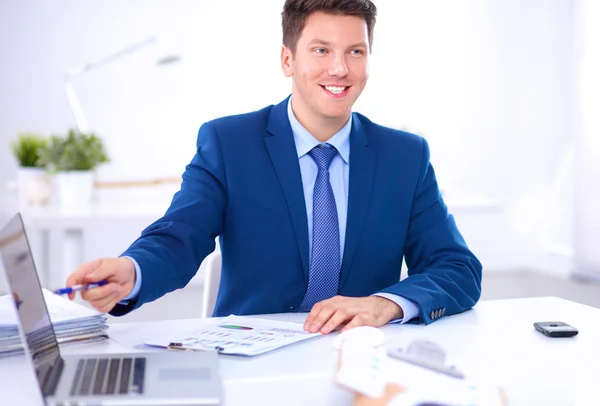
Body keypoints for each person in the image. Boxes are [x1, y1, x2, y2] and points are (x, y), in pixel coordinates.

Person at [66, 0, 482, 334]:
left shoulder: (405, 156)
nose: (339, 68)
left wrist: (384, 305)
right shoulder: (229, 143)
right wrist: (132, 271)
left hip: (361, 360)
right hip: (248, 354)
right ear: (287, 60)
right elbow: (180, 238)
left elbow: (457, 268)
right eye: (321, 50)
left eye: (355, 52)